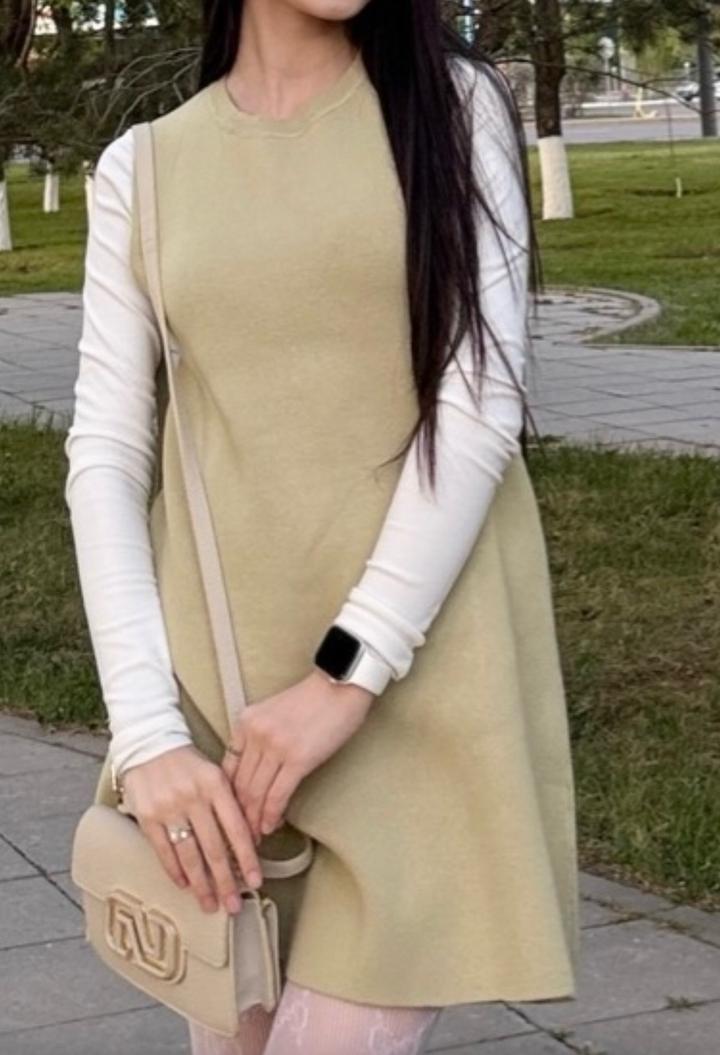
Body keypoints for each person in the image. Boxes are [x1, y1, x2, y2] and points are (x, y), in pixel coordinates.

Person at [63, 1, 581, 1052]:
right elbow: (106, 455)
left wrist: (345, 677)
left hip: (421, 690)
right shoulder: (144, 168)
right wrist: (148, 733)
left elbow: (478, 408)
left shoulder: (451, 107)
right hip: (226, 728)